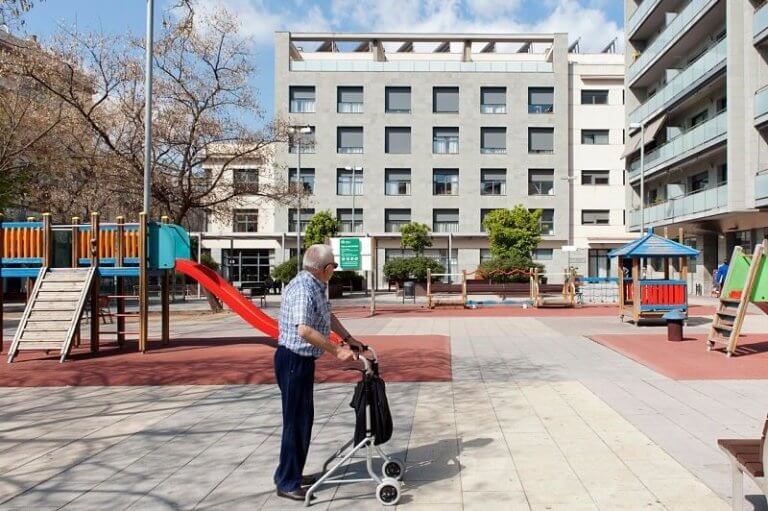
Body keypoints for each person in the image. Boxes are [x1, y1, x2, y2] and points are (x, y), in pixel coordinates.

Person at [273, 244, 362, 501]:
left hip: (301, 361)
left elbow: (326, 314)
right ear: (325, 268)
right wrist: (337, 351)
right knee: (296, 422)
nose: (334, 270)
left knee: (302, 420)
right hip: (293, 361)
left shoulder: (315, 285)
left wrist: (348, 338)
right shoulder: (302, 289)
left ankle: (291, 473)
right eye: (333, 266)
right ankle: (288, 482)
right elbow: (304, 330)